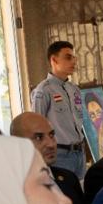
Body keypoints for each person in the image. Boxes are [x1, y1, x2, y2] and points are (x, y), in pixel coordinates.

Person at [11, 111, 89, 204]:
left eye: (51, 135)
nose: (51, 144)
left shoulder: (69, 178)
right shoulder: (14, 190)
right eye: (39, 138)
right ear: (17, 144)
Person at [30, 40, 88, 179]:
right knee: (64, 191)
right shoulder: (44, 90)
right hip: (60, 155)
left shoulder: (74, 89)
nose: (73, 62)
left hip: (79, 153)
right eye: (68, 57)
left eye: (74, 58)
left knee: (80, 190)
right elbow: (36, 127)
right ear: (54, 60)